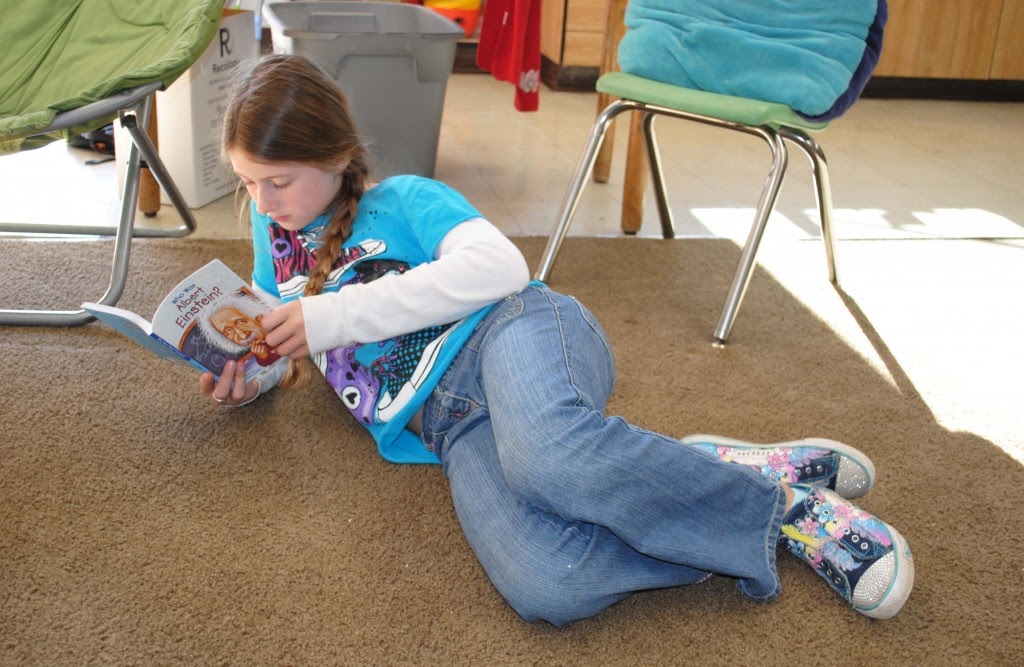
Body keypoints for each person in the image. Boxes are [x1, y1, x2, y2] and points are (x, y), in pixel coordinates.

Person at [199, 53, 914, 625]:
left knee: (552, 461)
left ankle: (789, 511)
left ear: (333, 154)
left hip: (515, 335)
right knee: (550, 583)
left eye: (279, 182)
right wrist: (250, 374)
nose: (263, 205)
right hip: (449, 430)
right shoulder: (276, 237)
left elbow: (502, 265)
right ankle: (693, 472)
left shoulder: (406, 198)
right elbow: (277, 333)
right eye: (248, 184)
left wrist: (332, 317)